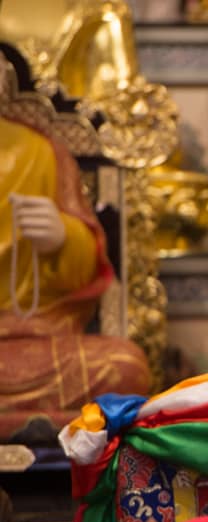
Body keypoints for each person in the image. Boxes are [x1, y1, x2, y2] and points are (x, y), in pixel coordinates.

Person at [0, 111, 151, 436]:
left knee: (126, 366)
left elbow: (86, 276)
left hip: (37, 338)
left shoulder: (41, 151)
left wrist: (63, 237)